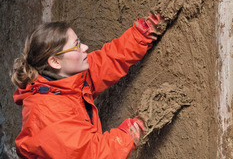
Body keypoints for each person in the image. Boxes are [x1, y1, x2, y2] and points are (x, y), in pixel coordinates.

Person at [11, 13, 164, 159]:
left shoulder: (67, 80)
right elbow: (93, 154)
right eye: (76, 45)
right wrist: (132, 131)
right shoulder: (46, 114)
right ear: (55, 62)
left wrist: (141, 35)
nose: (85, 47)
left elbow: (109, 60)